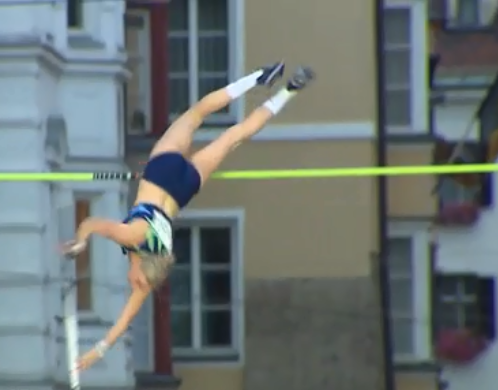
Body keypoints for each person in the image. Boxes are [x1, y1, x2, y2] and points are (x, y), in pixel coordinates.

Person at [63, 62, 315, 371]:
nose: (132, 282)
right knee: (196, 114)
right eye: (135, 279)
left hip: (184, 189)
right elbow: (92, 222)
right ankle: (258, 79)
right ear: (141, 269)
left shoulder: (150, 275)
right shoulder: (133, 238)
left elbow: (122, 323)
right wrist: (80, 241)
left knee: (233, 136)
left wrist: (96, 353)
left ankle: (287, 91)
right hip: (162, 174)